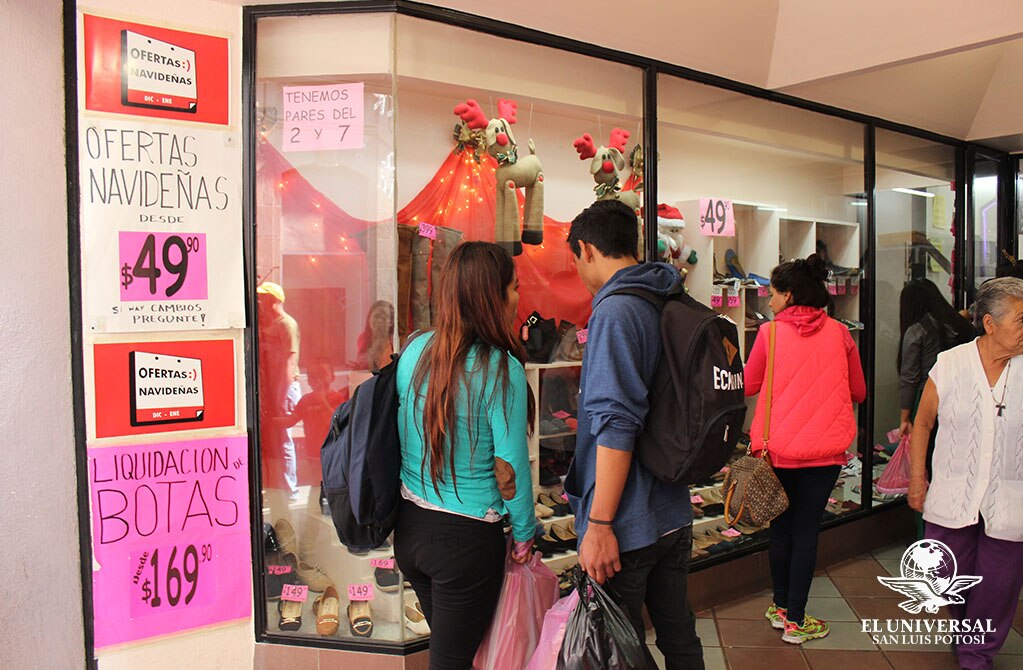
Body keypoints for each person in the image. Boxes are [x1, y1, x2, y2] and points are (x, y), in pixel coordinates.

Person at [564, 200, 703, 670]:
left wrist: (600, 524)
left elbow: (617, 424)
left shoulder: (616, 311)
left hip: (628, 525)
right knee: (679, 635)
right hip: (674, 508)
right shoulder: (666, 295)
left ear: (586, 249)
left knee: (615, 652)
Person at [393, 242, 536, 670]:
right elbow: (509, 471)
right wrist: (526, 531)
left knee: (454, 652)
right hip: (466, 543)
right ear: (490, 297)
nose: (517, 298)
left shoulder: (416, 350)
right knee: (453, 662)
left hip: (411, 531)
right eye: (513, 288)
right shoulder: (500, 368)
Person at [744, 254, 866, 645]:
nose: (768, 301)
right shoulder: (841, 334)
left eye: (773, 293)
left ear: (789, 295)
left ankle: (782, 610)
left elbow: (748, 386)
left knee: (781, 529)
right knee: (806, 532)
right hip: (826, 454)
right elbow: (860, 392)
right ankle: (796, 618)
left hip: (778, 450)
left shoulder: (770, 334)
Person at [908, 277, 1023, 670]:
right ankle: (965, 633)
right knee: (947, 577)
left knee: (998, 584)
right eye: (1021, 320)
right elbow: (922, 423)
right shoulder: (951, 364)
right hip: (953, 492)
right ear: (990, 324)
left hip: (1010, 499)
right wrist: (916, 479)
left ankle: (978, 655)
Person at [897, 278, 975, 440]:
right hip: (963, 395)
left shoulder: (917, 331)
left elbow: (910, 379)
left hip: (928, 398)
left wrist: (905, 418)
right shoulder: (960, 324)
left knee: (928, 452)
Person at [257, 281, 301, 502]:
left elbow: (290, 360)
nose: (261, 302)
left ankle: (290, 489)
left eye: (264, 298)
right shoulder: (272, 325)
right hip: (276, 387)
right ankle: (280, 486)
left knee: (284, 437)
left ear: (274, 300)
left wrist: (282, 394)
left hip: (285, 387)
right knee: (277, 437)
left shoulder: (287, 324)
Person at [355, 300, 395, 371]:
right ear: (369, 320)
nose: (380, 321)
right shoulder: (364, 338)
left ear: (391, 322)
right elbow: (361, 364)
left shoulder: (394, 340)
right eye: (376, 316)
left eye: (384, 317)